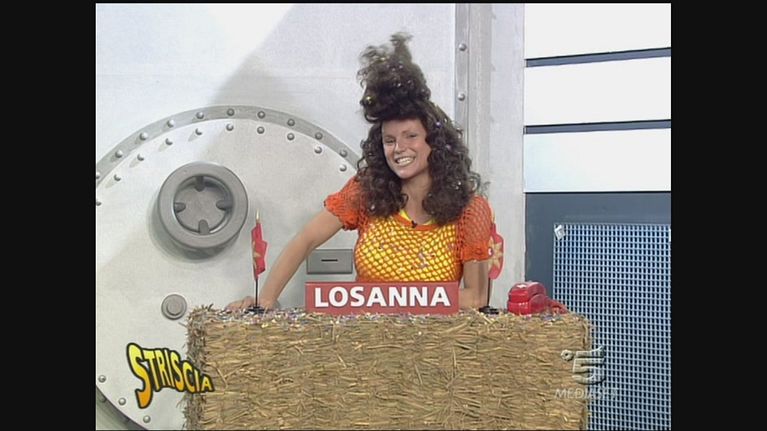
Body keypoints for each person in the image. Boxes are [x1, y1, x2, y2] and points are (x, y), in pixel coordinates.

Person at [226, 33, 493, 311]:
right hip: (362, 334)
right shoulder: (367, 191)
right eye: (389, 140)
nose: (399, 149)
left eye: (411, 136)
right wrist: (266, 300)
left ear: (434, 142)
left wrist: (387, 299)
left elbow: (475, 298)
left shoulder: (470, 210)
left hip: (432, 337)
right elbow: (305, 240)